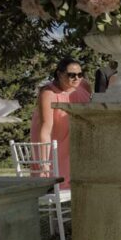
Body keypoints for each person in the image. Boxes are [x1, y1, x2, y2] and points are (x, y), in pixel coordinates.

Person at [30, 57, 92, 189]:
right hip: (56, 142)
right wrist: (44, 162)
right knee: (58, 181)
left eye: (80, 74)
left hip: (76, 140)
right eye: (71, 75)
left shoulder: (84, 85)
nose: (77, 78)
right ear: (59, 74)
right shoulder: (48, 93)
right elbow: (45, 128)